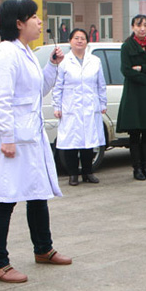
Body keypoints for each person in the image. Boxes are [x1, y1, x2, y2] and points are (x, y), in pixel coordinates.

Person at [0, 0, 71, 284]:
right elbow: (1, 99)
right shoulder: (6, 52)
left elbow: (36, 91)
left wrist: (53, 66)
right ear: (18, 23)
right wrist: (6, 138)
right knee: (4, 199)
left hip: (30, 136)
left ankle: (43, 249)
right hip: (13, 139)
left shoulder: (26, 52)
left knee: (37, 192)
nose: (39, 21)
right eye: (33, 17)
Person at [52, 28, 107, 186]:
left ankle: (88, 172)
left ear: (87, 42)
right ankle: (73, 174)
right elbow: (58, 86)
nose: (79, 41)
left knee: (88, 143)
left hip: (90, 107)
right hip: (70, 108)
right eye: (76, 38)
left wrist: (102, 103)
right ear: (70, 41)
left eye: (82, 38)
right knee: (71, 143)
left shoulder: (95, 61)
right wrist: (57, 106)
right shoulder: (64, 62)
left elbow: (100, 84)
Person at [116, 14, 146, 181]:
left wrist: (142, 68)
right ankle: (137, 168)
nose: (142, 28)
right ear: (133, 27)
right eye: (138, 25)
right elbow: (126, 70)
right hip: (133, 94)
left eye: (145, 25)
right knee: (134, 133)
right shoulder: (127, 46)